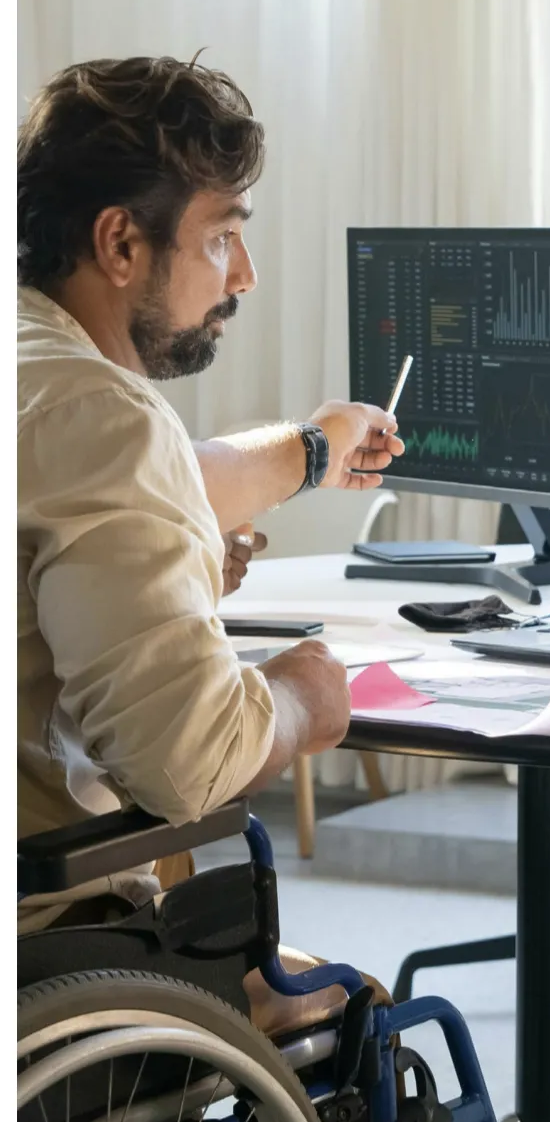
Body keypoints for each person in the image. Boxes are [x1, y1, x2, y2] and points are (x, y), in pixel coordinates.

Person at [17, 55, 406, 1027]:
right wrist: (300, 700)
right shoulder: (105, 413)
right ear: (120, 242)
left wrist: (312, 449)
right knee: (360, 1005)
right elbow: (189, 758)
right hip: (45, 941)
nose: (245, 274)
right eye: (223, 236)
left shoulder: (34, 370)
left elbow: (161, 480)